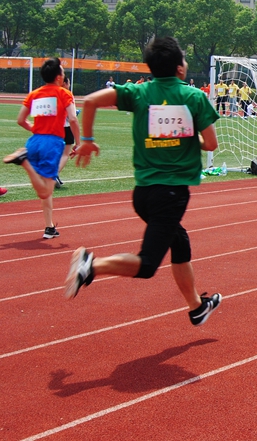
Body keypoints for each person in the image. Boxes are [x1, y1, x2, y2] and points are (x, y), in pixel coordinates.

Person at [66, 37, 221, 327]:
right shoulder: (194, 97)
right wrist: (190, 137)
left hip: (143, 194)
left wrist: (86, 140)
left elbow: (91, 100)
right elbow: (210, 144)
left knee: (180, 242)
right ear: (179, 69)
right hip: (171, 194)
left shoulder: (138, 93)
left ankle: (197, 307)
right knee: (148, 265)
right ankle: (92, 266)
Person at [4, 58, 79, 239]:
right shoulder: (64, 94)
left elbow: (21, 120)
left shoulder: (34, 94)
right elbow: (73, 119)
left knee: (46, 189)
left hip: (34, 142)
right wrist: (79, 142)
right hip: (52, 144)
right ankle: (24, 162)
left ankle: (49, 227)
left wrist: (37, 130)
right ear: (59, 76)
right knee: (46, 190)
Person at [55, 77, 76, 189]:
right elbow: (71, 116)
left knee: (55, 152)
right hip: (66, 126)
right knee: (65, 153)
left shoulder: (52, 92)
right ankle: (54, 174)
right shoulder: (67, 94)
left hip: (53, 127)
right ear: (65, 83)